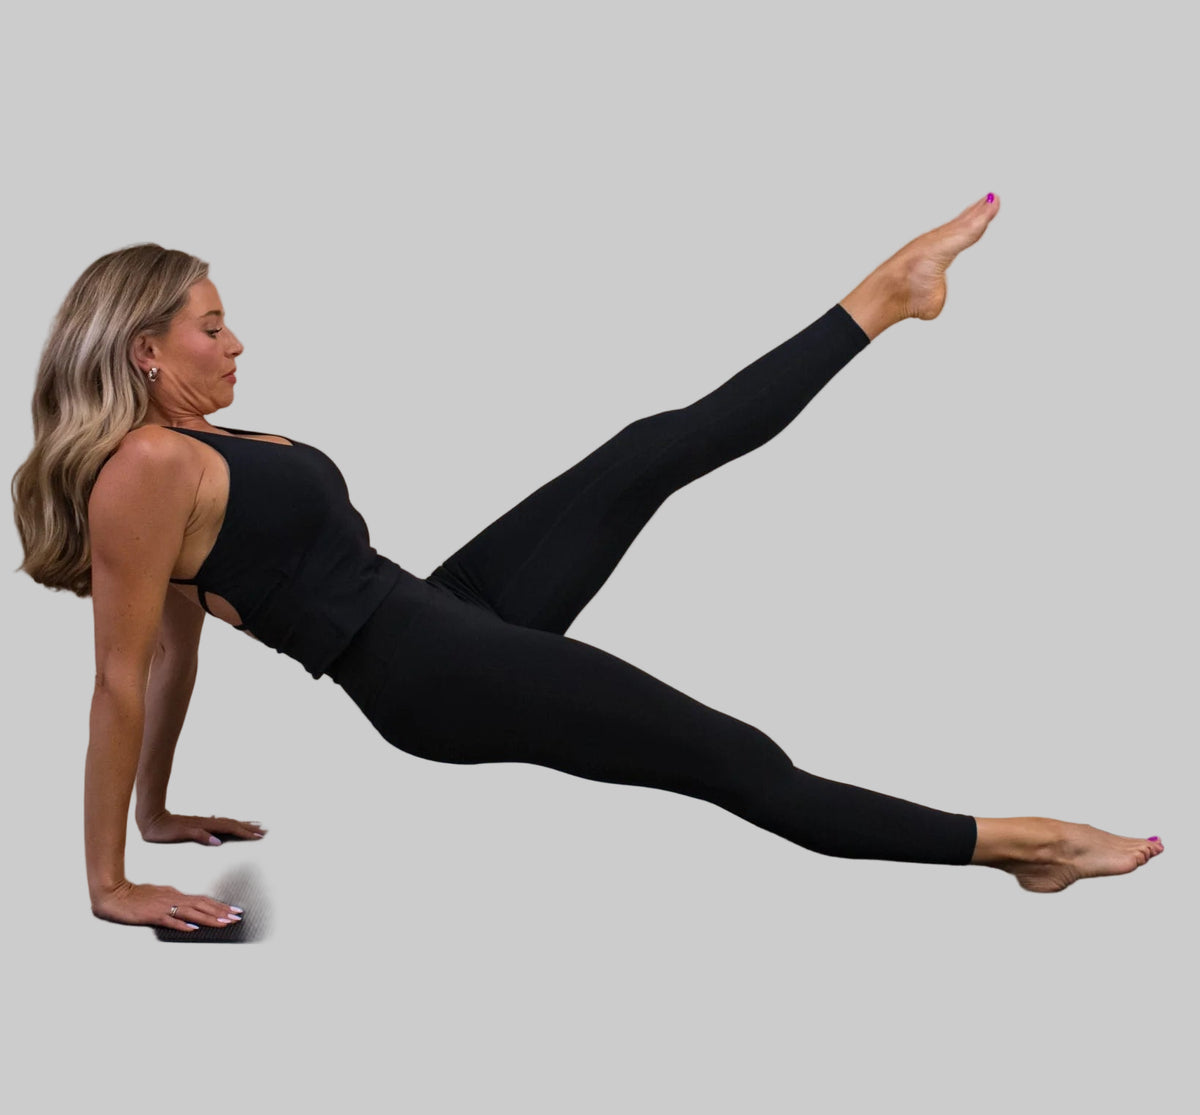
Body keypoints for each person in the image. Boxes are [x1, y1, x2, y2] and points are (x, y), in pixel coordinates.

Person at [11, 193, 1164, 934]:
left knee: (648, 448)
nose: (239, 339)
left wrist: (159, 811)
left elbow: (176, 645)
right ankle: (1026, 849)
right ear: (145, 350)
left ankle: (886, 295)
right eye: (214, 325)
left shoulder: (188, 449)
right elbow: (121, 676)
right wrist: (111, 881)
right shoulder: (144, 472)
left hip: (438, 609)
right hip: (425, 673)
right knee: (741, 762)